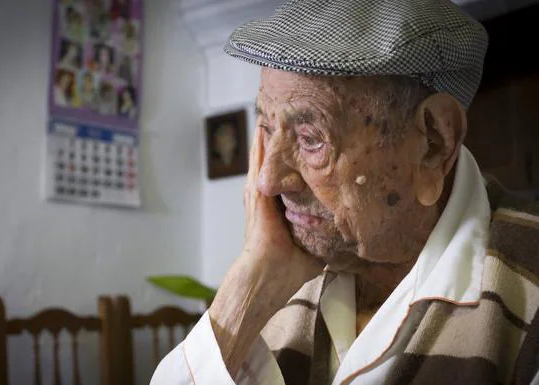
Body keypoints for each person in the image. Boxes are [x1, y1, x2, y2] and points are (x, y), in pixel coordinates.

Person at [151, 0, 539, 384]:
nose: (267, 181)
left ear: (433, 142)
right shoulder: (279, 282)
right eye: (267, 128)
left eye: (310, 138)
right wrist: (246, 296)